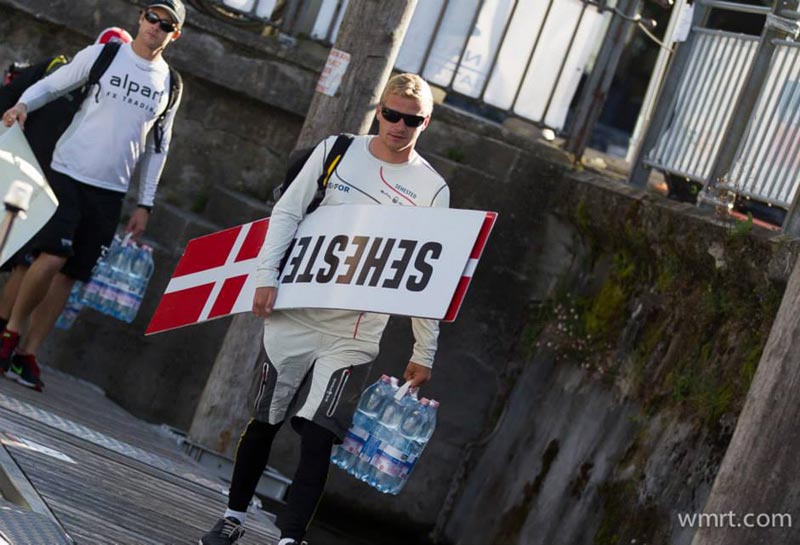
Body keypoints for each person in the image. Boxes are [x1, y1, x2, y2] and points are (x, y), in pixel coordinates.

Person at [200, 73, 450, 545]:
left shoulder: (432, 188)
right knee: (265, 420)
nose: (398, 126)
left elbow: (427, 272)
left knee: (319, 435)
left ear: (426, 122)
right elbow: (288, 212)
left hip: (354, 331)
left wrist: (425, 349)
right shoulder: (338, 150)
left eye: (411, 120)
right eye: (391, 114)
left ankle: (290, 537)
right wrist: (265, 278)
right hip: (295, 309)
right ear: (379, 110)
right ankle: (232, 517)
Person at [0, 0, 186, 391]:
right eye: (151, 17)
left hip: (111, 191)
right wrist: (22, 104)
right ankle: (10, 334)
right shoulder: (105, 54)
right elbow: (54, 84)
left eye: (165, 24)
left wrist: (145, 204)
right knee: (52, 256)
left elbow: (158, 149)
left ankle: (27, 354)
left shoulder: (170, 83)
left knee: (70, 274)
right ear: (140, 18)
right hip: (67, 172)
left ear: (175, 35)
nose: (155, 26)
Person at [0, 27, 133, 332]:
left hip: (59, 184)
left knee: (28, 259)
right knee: (20, 258)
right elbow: (11, 98)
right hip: (25, 173)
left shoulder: (117, 96)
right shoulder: (58, 68)